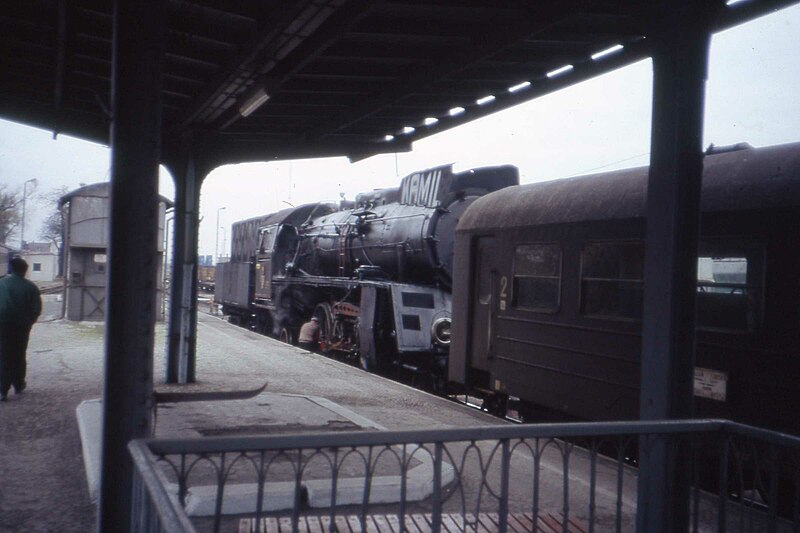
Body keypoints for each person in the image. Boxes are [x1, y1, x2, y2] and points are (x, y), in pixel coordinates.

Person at [0, 258, 42, 401]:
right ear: (24, 270)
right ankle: (18, 385)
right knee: (19, 354)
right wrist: (29, 322)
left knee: (4, 355)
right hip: (21, 326)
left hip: (3, 324)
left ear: (10, 269)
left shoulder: (1, 284)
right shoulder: (31, 287)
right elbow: (36, 309)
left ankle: (2, 390)